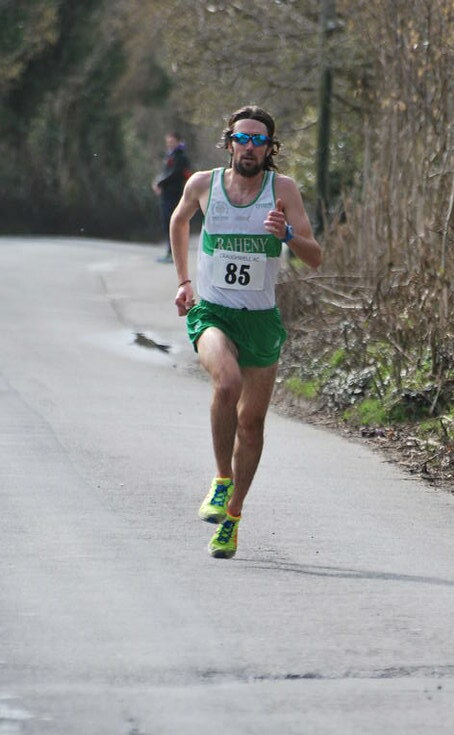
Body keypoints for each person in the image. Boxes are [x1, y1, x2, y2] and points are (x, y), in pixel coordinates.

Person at [169, 105, 322, 558]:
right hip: (213, 312)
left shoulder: (283, 190)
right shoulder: (203, 184)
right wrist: (183, 282)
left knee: (251, 424)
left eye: (259, 141)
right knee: (227, 383)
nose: (250, 147)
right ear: (229, 141)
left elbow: (315, 257)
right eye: (243, 138)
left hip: (260, 320)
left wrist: (288, 232)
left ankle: (232, 517)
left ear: (270, 149)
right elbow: (179, 221)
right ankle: (221, 479)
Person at [153, 131, 191, 262]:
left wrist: (160, 182)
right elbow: (165, 172)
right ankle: (170, 252)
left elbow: (175, 174)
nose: (170, 144)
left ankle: (174, 254)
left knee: (172, 223)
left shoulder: (180, 156)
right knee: (166, 223)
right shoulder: (170, 155)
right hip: (166, 194)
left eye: (172, 142)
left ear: (178, 141)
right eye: (168, 142)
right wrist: (158, 182)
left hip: (174, 195)